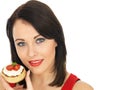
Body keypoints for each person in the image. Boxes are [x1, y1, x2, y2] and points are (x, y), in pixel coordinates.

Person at [0, 0, 93, 90]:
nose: (31, 53)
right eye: (21, 43)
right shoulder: (3, 85)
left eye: (39, 40)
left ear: (56, 39)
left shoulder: (81, 88)